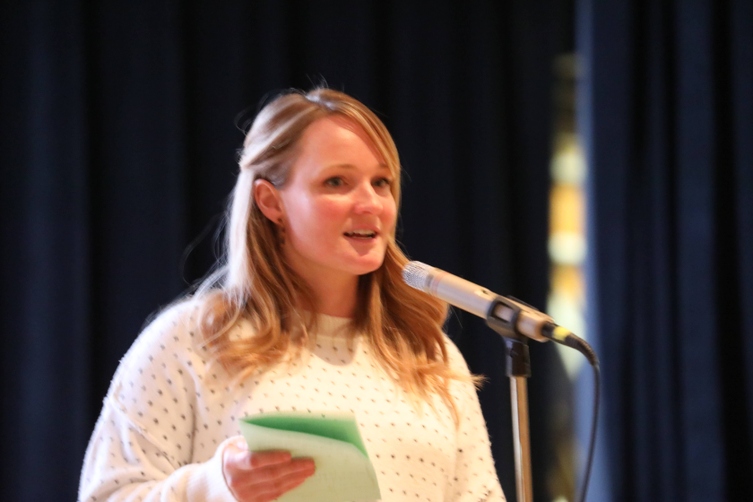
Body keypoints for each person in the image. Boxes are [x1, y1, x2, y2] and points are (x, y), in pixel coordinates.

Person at [78, 87, 506, 502]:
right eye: (337, 181)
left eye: (381, 183)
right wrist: (214, 487)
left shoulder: (430, 355)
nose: (370, 203)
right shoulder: (193, 340)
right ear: (270, 202)